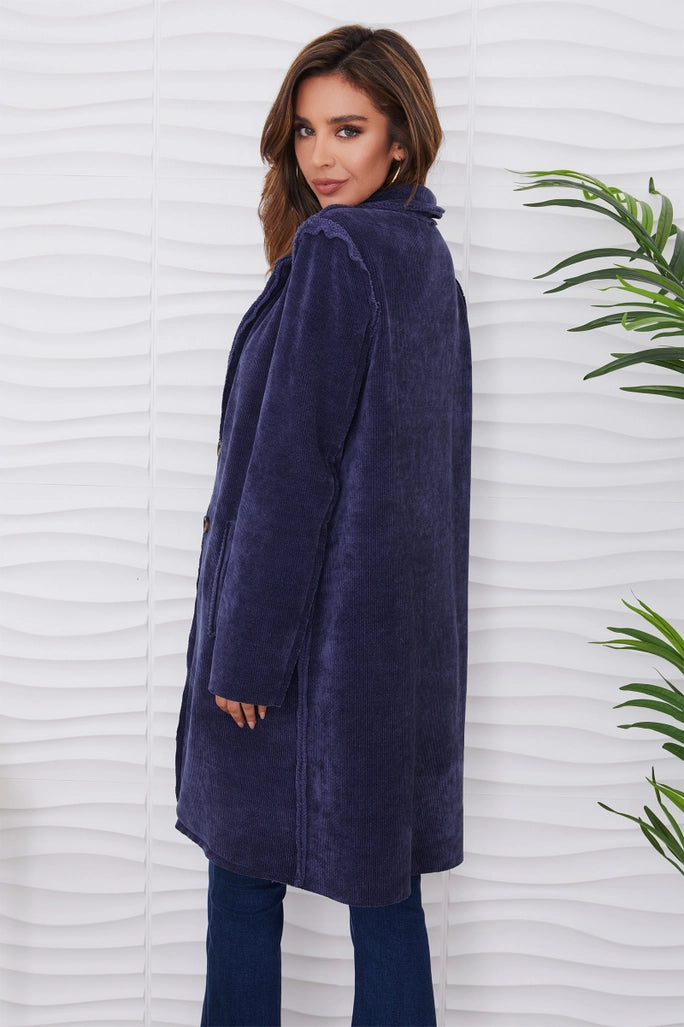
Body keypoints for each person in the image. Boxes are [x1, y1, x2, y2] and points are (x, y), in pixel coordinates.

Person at [174, 24, 471, 1027]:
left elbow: (290, 470)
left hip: (298, 653)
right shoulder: (426, 259)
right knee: (385, 898)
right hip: (390, 661)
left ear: (402, 137)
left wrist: (247, 654)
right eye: (306, 130)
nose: (320, 155)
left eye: (349, 128)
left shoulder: (337, 252)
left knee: (241, 884)